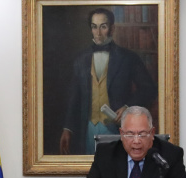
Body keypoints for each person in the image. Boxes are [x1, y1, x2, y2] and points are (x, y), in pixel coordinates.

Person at [60, 8, 158, 155]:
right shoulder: (81, 60)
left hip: (118, 129)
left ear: (112, 29)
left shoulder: (128, 58)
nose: (98, 33)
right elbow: (74, 97)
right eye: (94, 27)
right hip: (88, 129)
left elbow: (149, 89)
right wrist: (67, 129)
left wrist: (128, 107)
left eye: (103, 27)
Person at [84, 106, 186, 178]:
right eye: (130, 134)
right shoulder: (105, 154)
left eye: (142, 134)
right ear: (121, 134)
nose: (136, 141)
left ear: (152, 133)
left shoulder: (170, 154)